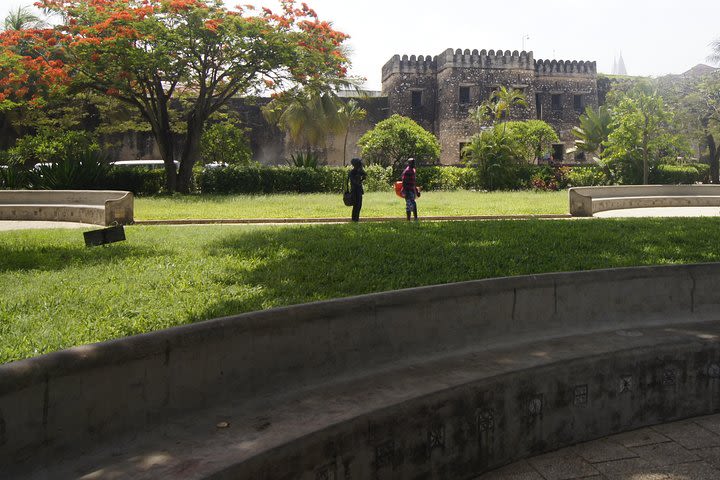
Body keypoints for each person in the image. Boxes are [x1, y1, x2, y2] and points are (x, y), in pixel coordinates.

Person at [348, 157, 366, 222]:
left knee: (359, 205)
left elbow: (365, 175)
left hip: (358, 190)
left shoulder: (359, 171)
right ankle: (354, 219)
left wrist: (361, 177)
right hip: (354, 191)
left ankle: (356, 219)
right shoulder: (352, 172)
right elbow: (355, 182)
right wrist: (358, 177)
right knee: (356, 205)